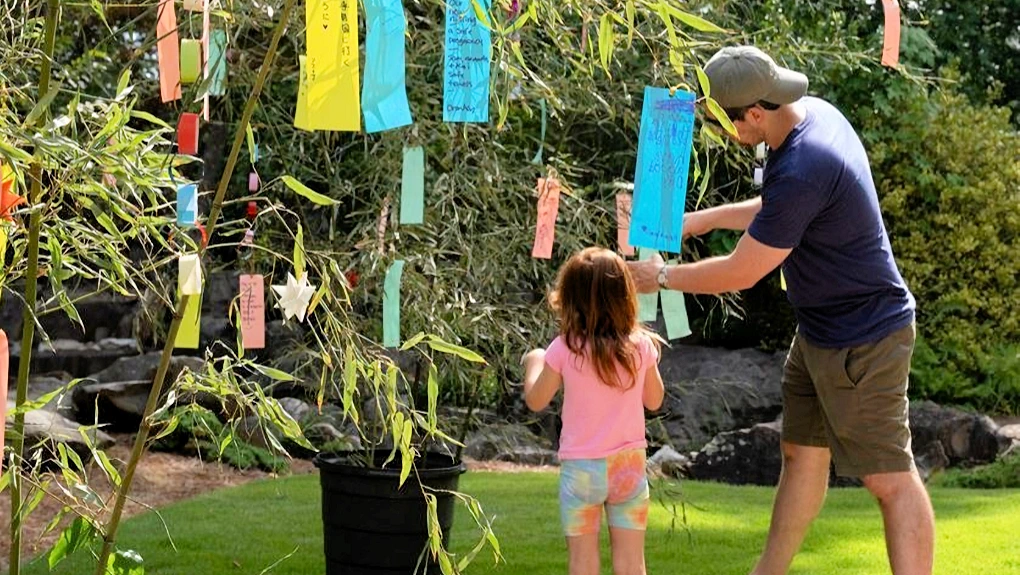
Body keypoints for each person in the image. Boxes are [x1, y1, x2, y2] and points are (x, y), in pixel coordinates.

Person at [627, 46, 934, 575]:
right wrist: (696, 222)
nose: (722, 132)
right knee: (801, 455)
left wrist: (658, 276)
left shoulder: (806, 162)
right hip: (819, 331)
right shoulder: (808, 116)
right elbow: (774, 208)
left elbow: (743, 271)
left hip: (864, 338)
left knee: (888, 479)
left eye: (725, 122)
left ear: (753, 113)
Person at [522, 247, 665, 575]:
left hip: (582, 471)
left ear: (570, 298)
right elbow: (655, 401)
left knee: (583, 563)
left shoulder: (564, 348)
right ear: (625, 296)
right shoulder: (640, 345)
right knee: (631, 564)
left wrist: (534, 361)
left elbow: (536, 400)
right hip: (628, 467)